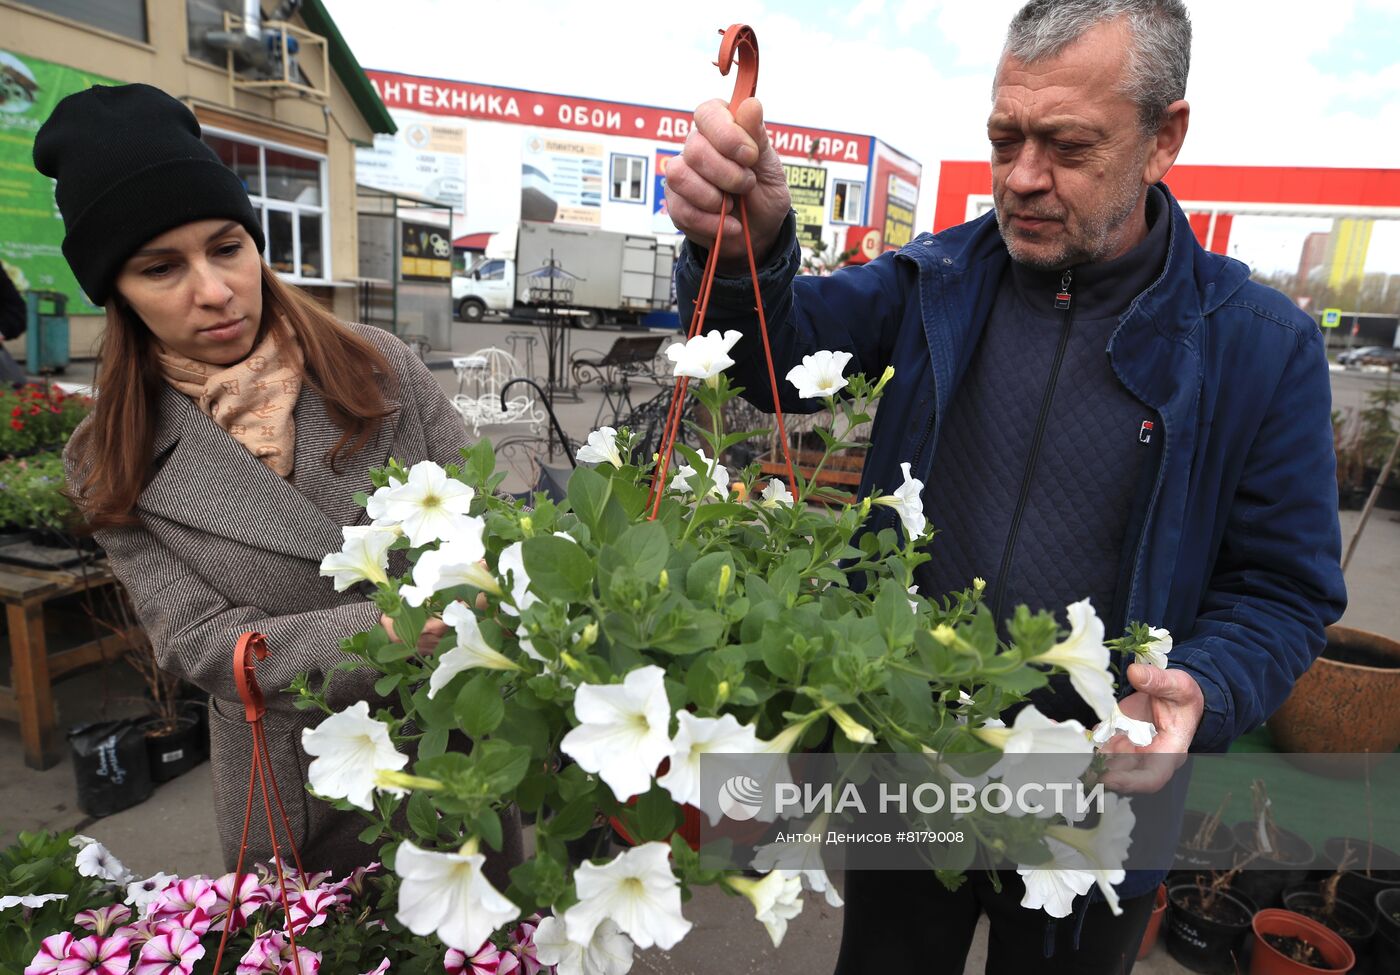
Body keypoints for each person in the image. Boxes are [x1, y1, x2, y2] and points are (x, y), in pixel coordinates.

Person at [665, 0, 1345, 971]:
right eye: (1003, 138)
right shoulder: (934, 278)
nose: (1021, 178)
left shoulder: (1257, 346)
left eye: (1065, 146)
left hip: (1103, 802)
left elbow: (1283, 589)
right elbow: (762, 362)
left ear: (1163, 138)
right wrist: (748, 252)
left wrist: (1204, 683)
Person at [35, 83, 504, 878]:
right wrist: (381, 632)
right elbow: (197, 642)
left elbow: (486, 516)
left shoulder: (377, 363)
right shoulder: (108, 456)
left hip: (454, 743)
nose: (213, 290)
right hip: (302, 784)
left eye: (227, 247)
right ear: (117, 291)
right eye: (161, 267)